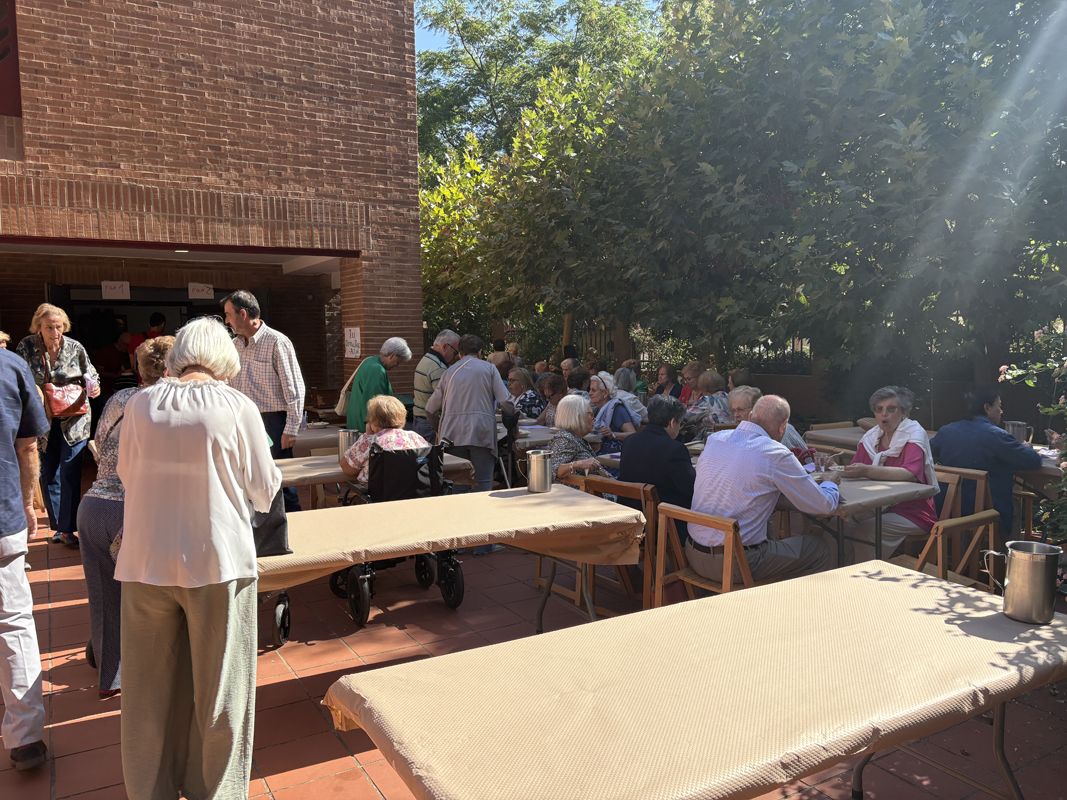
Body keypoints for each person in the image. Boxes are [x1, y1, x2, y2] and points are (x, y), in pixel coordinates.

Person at [116, 316, 281, 800]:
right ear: (224, 357)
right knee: (222, 693)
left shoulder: (140, 404)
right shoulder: (237, 406)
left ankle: (150, 790)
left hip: (145, 561)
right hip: (217, 562)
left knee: (146, 694)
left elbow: (126, 473)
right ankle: (218, 791)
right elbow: (265, 489)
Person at [77, 336, 173, 700]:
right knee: (153, 598)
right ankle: (154, 681)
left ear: (140, 369)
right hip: (133, 511)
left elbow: (99, 442)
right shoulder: (169, 405)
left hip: (93, 506)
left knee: (104, 599)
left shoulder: (119, 399)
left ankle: (109, 679)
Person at [688, 395, 837, 583]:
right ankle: (793, 600)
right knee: (817, 548)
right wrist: (830, 482)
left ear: (751, 415)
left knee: (768, 530)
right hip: (734, 564)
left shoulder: (715, 439)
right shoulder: (774, 452)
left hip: (693, 554)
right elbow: (823, 506)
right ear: (783, 427)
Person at [0, 345, 51, 770]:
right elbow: (28, 446)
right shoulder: (10, 366)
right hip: (2, 514)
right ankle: (24, 736)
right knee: (13, 621)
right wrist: (29, 501)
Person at [16, 303, 101, 547]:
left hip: (74, 419)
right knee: (48, 471)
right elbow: (20, 378)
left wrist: (94, 386)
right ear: (38, 327)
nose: (55, 332)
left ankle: (67, 529)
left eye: (59, 327)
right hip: (42, 419)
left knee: (70, 471)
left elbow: (91, 374)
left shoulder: (75, 347)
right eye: (49, 327)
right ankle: (58, 526)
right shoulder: (27, 346)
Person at [223, 289, 306, 513]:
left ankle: (292, 523)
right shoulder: (234, 345)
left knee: (280, 480)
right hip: (242, 419)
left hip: (272, 421)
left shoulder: (277, 341)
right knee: (248, 477)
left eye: (228, 314)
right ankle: (259, 525)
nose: (226, 321)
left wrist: (291, 428)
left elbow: (294, 387)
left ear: (242, 314)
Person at [842, 386, 937, 561]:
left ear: (904, 412)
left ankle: (866, 576)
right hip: (876, 506)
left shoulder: (914, 435)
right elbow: (856, 468)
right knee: (839, 524)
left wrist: (867, 470)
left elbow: (909, 473)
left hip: (912, 511)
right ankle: (837, 570)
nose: (884, 414)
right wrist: (834, 468)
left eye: (891, 409)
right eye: (879, 409)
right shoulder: (871, 437)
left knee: (867, 530)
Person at [931, 387, 1041, 536]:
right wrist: (1025, 447)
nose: (1001, 411)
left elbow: (928, 454)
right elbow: (1033, 461)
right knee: (1015, 504)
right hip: (987, 515)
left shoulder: (946, 431)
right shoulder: (997, 435)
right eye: (999, 406)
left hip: (947, 511)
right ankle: (1004, 549)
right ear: (987, 408)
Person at [426, 334, 514, 492]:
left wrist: (438, 428)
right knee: (483, 483)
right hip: (481, 431)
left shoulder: (449, 372)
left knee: (458, 483)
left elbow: (430, 408)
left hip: (452, 434)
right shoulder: (489, 369)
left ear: (460, 352)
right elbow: (505, 401)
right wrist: (513, 417)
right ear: (480, 352)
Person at [619, 394, 695, 519]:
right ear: (672, 422)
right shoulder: (675, 449)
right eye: (680, 423)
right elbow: (691, 489)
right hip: (663, 521)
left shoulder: (629, 441)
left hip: (630, 514)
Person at [340, 395, 429, 490]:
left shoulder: (370, 441)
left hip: (379, 495)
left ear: (373, 420)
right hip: (415, 493)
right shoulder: (415, 437)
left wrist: (367, 435)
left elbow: (347, 469)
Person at [344, 337, 412, 433]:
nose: (397, 365)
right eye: (398, 361)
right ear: (392, 355)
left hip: (359, 424)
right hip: (367, 429)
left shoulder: (370, 361)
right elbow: (375, 405)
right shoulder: (376, 370)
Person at [549, 394, 612, 482]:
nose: (594, 419)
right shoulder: (565, 439)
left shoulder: (575, 438)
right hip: (589, 490)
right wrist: (579, 464)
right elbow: (554, 471)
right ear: (578, 416)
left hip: (602, 487)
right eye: (591, 414)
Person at [413, 329, 460, 440]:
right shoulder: (438, 367)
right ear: (445, 347)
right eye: (455, 352)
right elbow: (445, 400)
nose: (456, 357)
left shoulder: (426, 358)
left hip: (420, 419)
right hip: (429, 423)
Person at [728, 385, 804, 449]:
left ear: (755, 409)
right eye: (733, 411)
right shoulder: (737, 434)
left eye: (740, 410)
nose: (736, 415)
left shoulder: (778, 429)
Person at [588, 372, 638, 455]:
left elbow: (633, 435)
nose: (590, 393)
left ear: (605, 393)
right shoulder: (597, 409)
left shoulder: (617, 409)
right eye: (590, 390)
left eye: (593, 390)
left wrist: (613, 434)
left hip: (614, 457)